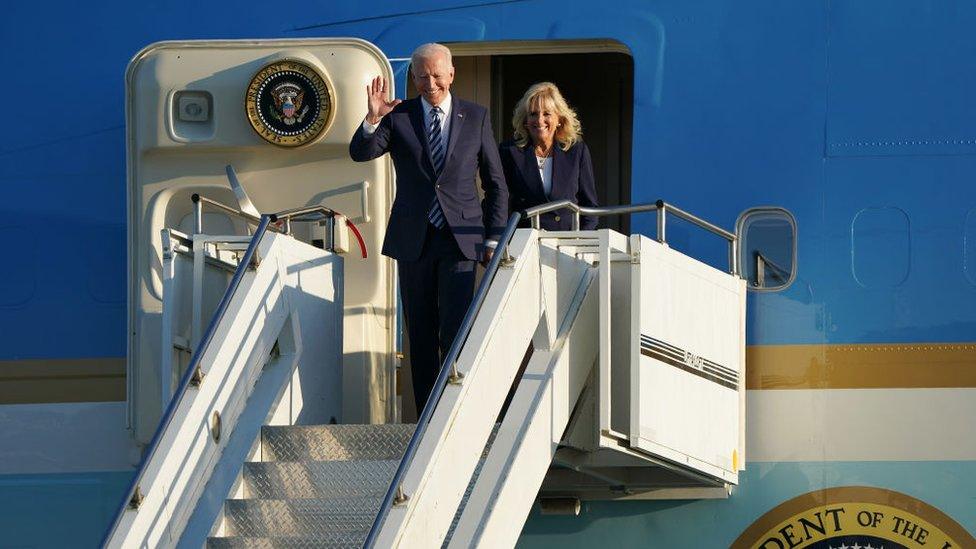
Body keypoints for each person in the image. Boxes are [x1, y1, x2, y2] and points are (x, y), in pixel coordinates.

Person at [349, 43, 508, 412]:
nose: (430, 82)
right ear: (414, 78)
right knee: (420, 333)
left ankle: (455, 409)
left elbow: (496, 183)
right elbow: (361, 152)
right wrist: (373, 118)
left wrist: (493, 236)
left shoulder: (476, 116)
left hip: (460, 241)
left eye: (437, 75)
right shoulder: (398, 115)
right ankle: (426, 417)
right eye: (422, 76)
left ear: (451, 75)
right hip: (414, 240)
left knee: (455, 330)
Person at [499, 82, 598, 230]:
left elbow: (590, 208)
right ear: (525, 120)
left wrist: (580, 242)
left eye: (547, 114)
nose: (539, 120)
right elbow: (499, 201)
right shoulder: (510, 152)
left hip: (567, 245)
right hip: (525, 244)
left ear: (559, 119)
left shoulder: (577, 151)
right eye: (533, 114)